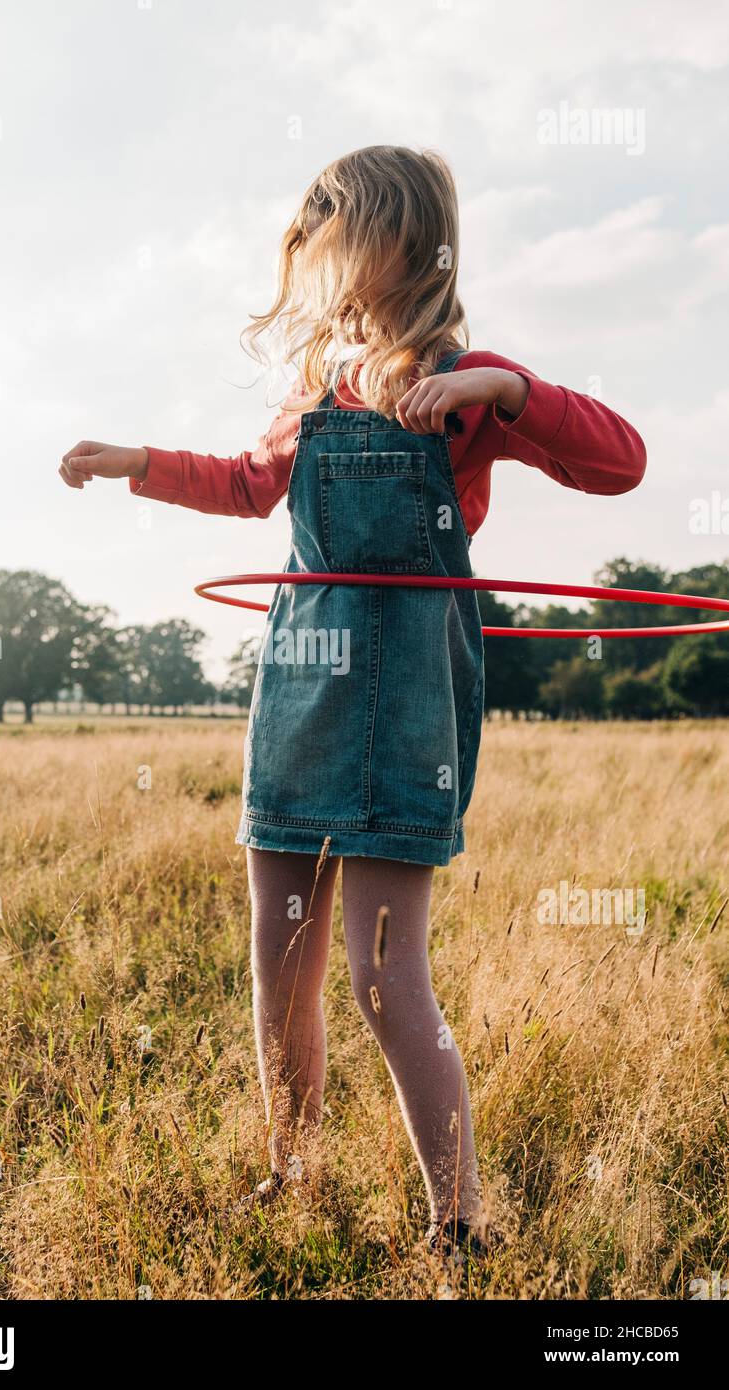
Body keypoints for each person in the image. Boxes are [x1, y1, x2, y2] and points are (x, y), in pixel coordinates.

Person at [59, 144, 646, 1263]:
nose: (317, 253)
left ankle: (460, 1221)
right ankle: (294, 1173)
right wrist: (137, 460)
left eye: (335, 229)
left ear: (391, 241)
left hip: (407, 695)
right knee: (279, 964)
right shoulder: (319, 381)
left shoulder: (466, 385)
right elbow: (245, 484)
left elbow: (620, 463)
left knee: (383, 973)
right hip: (299, 679)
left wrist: (505, 391)